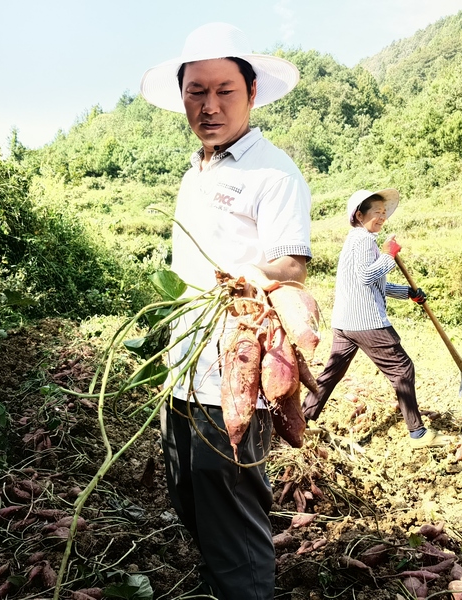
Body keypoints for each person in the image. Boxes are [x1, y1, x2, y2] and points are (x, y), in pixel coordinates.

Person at [139, 22, 312, 600]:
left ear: (251, 93)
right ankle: (226, 583)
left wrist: (249, 278)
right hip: (184, 365)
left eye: (224, 91)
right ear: (183, 95)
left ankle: (245, 589)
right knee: (187, 490)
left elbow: (292, 266)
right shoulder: (200, 167)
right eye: (197, 92)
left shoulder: (274, 173)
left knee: (232, 503)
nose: (209, 106)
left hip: (233, 371)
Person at [300, 188, 449, 449]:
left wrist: (408, 293)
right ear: (359, 214)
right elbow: (368, 277)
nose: (382, 217)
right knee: (402, 369)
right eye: (376, 213)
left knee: (331, 374)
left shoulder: (356, 240)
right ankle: (418, 434)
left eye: (384, 213)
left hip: (346, 323)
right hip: (366, 322)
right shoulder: (363, 241)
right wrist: (389, 254)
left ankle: (301, 421)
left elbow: (373, 283)